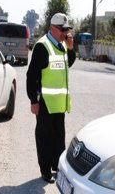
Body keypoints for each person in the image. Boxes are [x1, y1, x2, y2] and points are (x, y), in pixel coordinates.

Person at [26, 13, 76, 183]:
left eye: (67, 30)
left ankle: (57, 165)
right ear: (53, 29)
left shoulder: (61, 46)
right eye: (62, 30)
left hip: (59, 103)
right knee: (44, 138)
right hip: (46, 102)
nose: (65, 33)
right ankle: (45, 170)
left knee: (58, 137)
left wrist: (70, 48)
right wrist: (33, 100)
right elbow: (31, 76)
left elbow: (68, 64)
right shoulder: (42, 46)